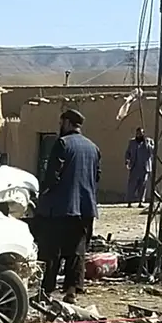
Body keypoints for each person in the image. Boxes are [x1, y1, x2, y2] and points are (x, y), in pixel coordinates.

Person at [32, 109, 100, 304]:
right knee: (77, 251)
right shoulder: (93, 147)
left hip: (61, 208)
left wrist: (43, 194)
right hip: (85, 209)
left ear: (68, 123)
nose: (59, 127)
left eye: (61, 123)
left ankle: (46, 290)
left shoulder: (62, 144)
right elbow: (97, 177)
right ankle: (72, 289)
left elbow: (53, 175)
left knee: (52, 250)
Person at [124, 127, 153, 207]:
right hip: (135, 167)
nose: (138, 135)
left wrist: (147, 144)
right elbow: (128, 152)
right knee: (132, 185)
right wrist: (127, 160)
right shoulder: (132, 142)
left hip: (144, 167)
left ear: (143, 134)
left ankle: (141, 202)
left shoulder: (148, 141)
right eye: (137, 133)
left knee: (143, 186)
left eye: (140, 133)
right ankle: (129, 202)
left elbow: (152, 151)